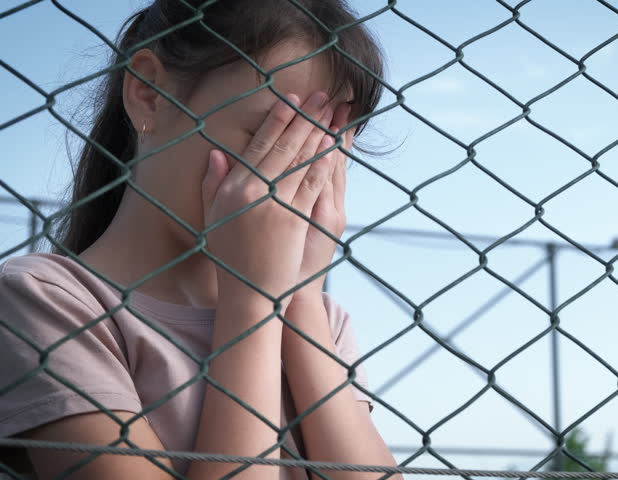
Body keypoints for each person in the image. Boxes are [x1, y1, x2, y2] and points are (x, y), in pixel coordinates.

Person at [0, 1, 401, 479]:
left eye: (323, 147)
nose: (294, 174)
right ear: (149, 92)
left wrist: (299, 300)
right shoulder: (44, 301)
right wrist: (252, 301)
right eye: (269, 136)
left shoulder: (322, 320)